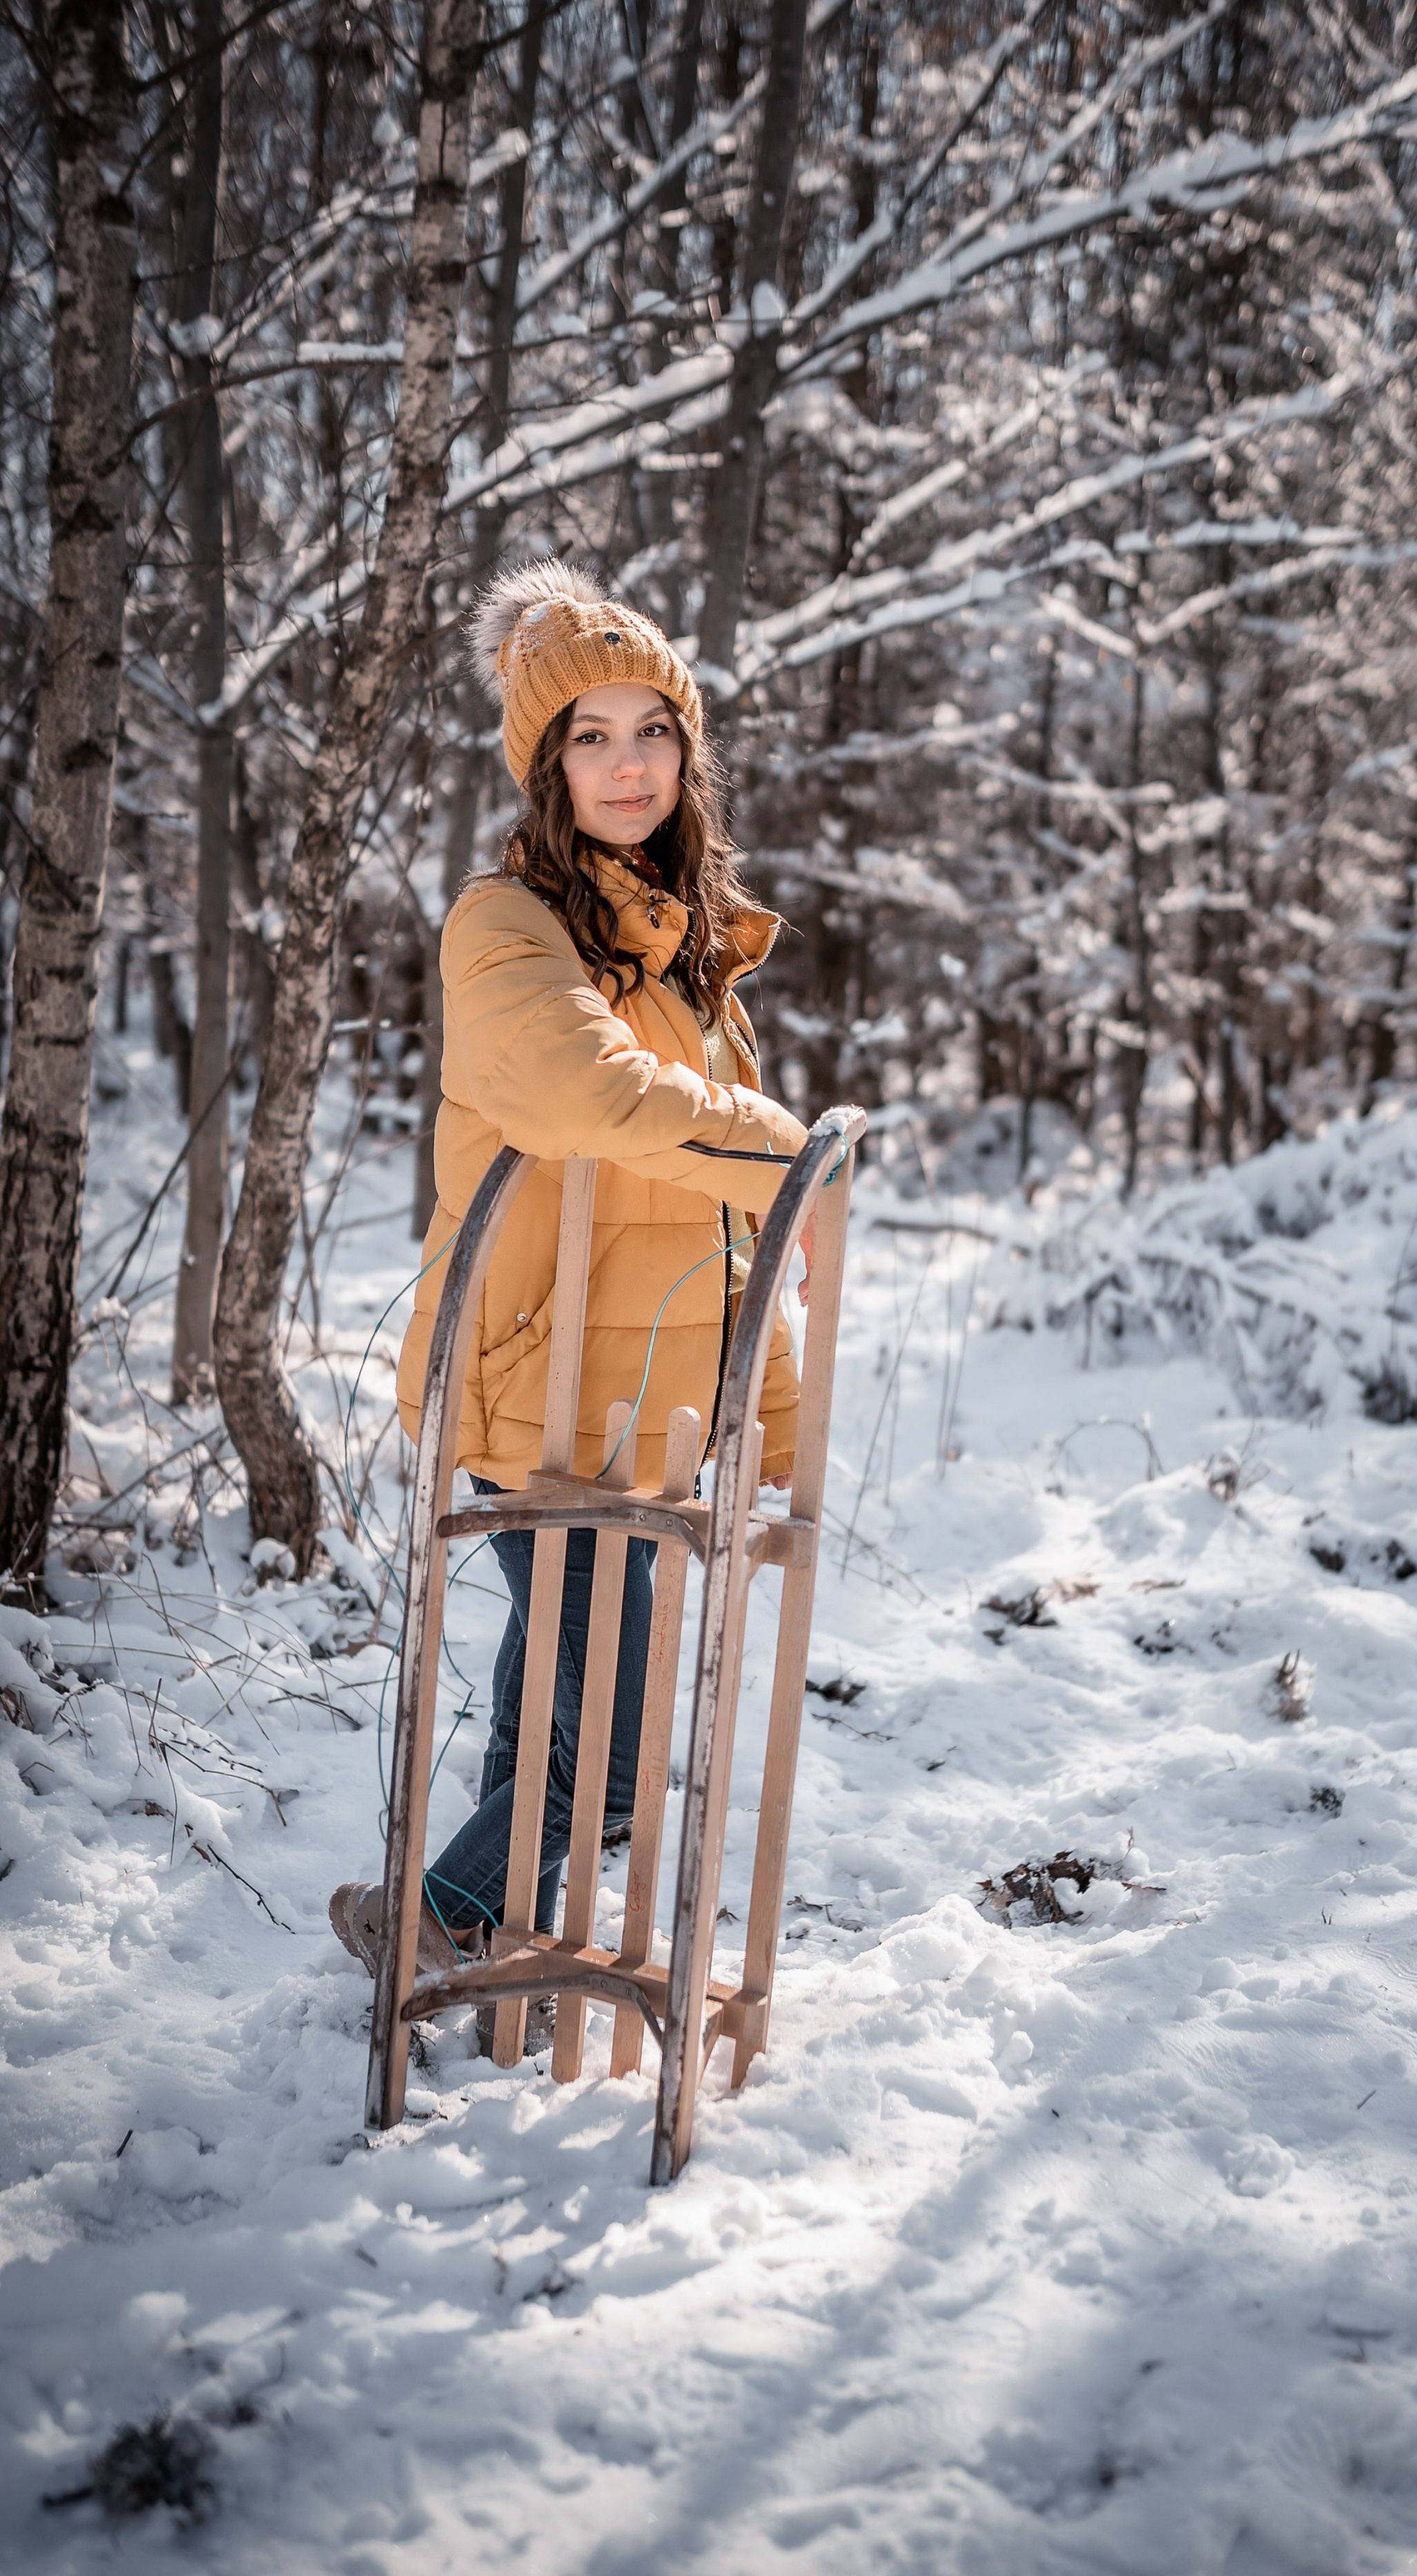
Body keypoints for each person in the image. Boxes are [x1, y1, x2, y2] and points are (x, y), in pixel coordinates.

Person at [329, 560, 808, 2014]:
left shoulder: (687, 951)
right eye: (588, 736)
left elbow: (732, 1236)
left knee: (557, 1692)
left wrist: (769, 1418)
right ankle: (435, 1917)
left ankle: (470, 1938)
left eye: (651, 729)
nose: (625, 763)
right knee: (600, 1748)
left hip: (647, 1406)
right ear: (542, 762)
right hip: (532, 1387)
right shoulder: (505, 926)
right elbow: (576, 1089)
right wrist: (789, 1149)